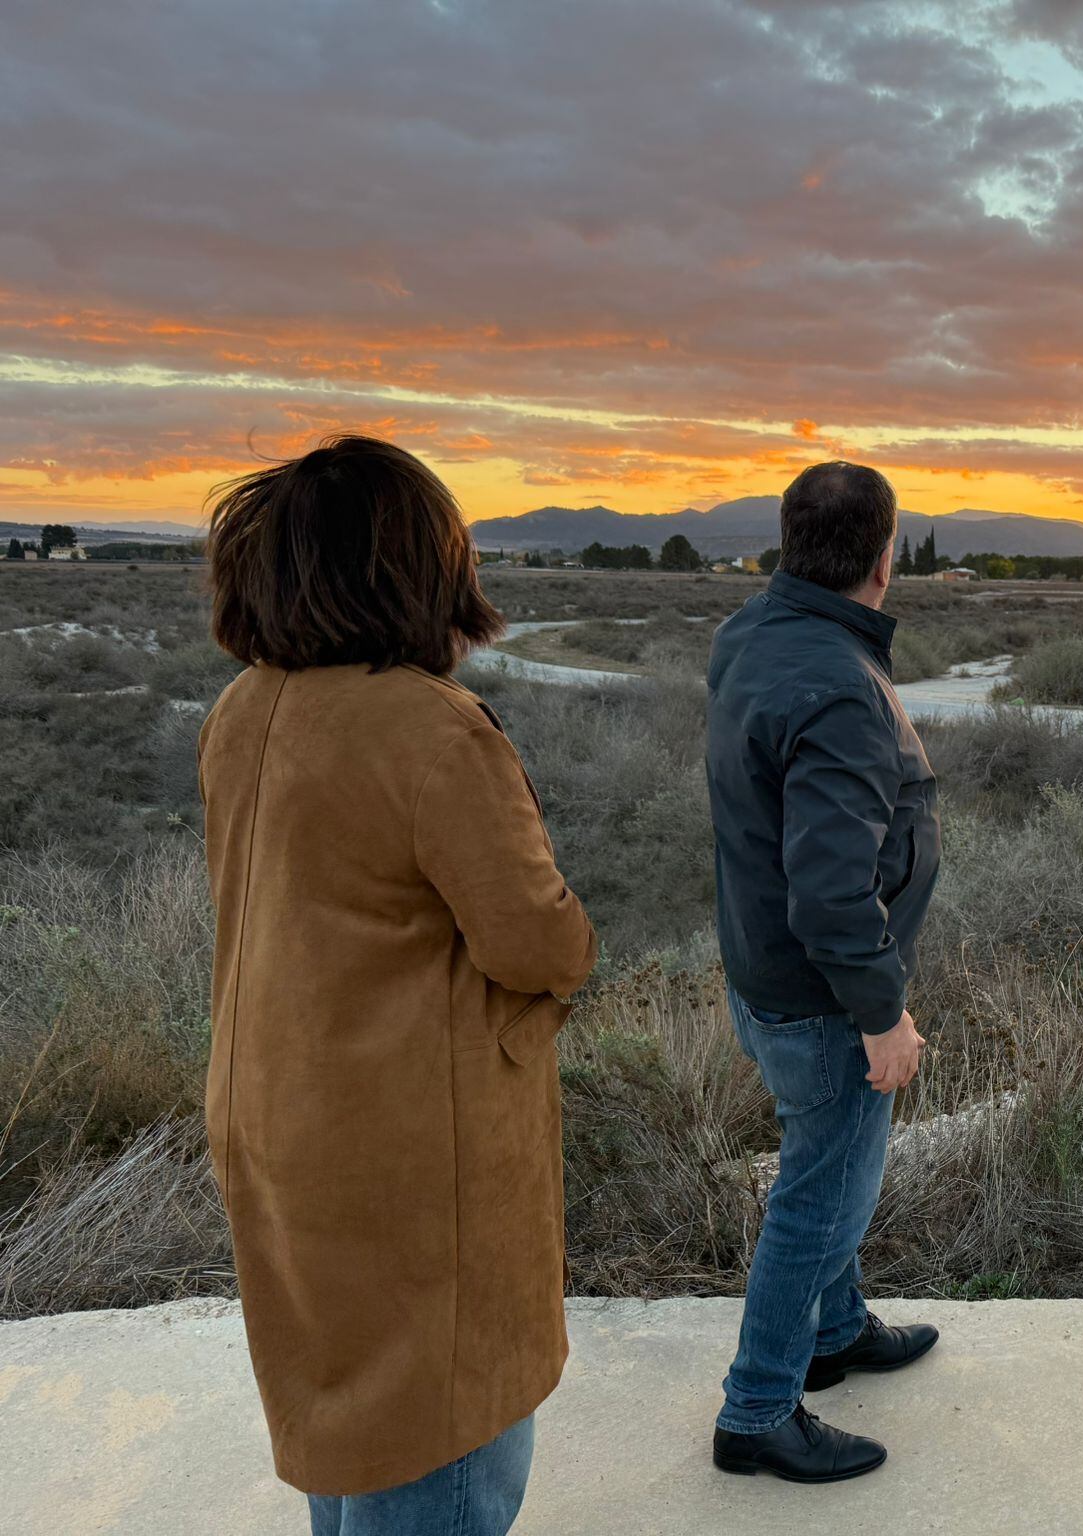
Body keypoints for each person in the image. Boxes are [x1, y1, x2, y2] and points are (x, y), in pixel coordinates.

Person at [199, 435, 598, 1535]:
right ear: (416, 565)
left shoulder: (242, 711)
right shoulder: (427, 728)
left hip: (276, 1117)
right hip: (408, 1153)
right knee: (440, 1452)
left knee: (347, 1437)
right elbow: (536, 941)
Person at [704, 460, 941, 1483]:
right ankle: (757, 1411)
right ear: (887, 557)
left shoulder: (752, 636)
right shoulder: (839, 684)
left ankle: (835, 1331)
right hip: (819, 1001)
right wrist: (881, 1014)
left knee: (827, 1167)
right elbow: (832, 893)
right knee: (819, 1197)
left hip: (763, 976)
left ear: (790, 543)